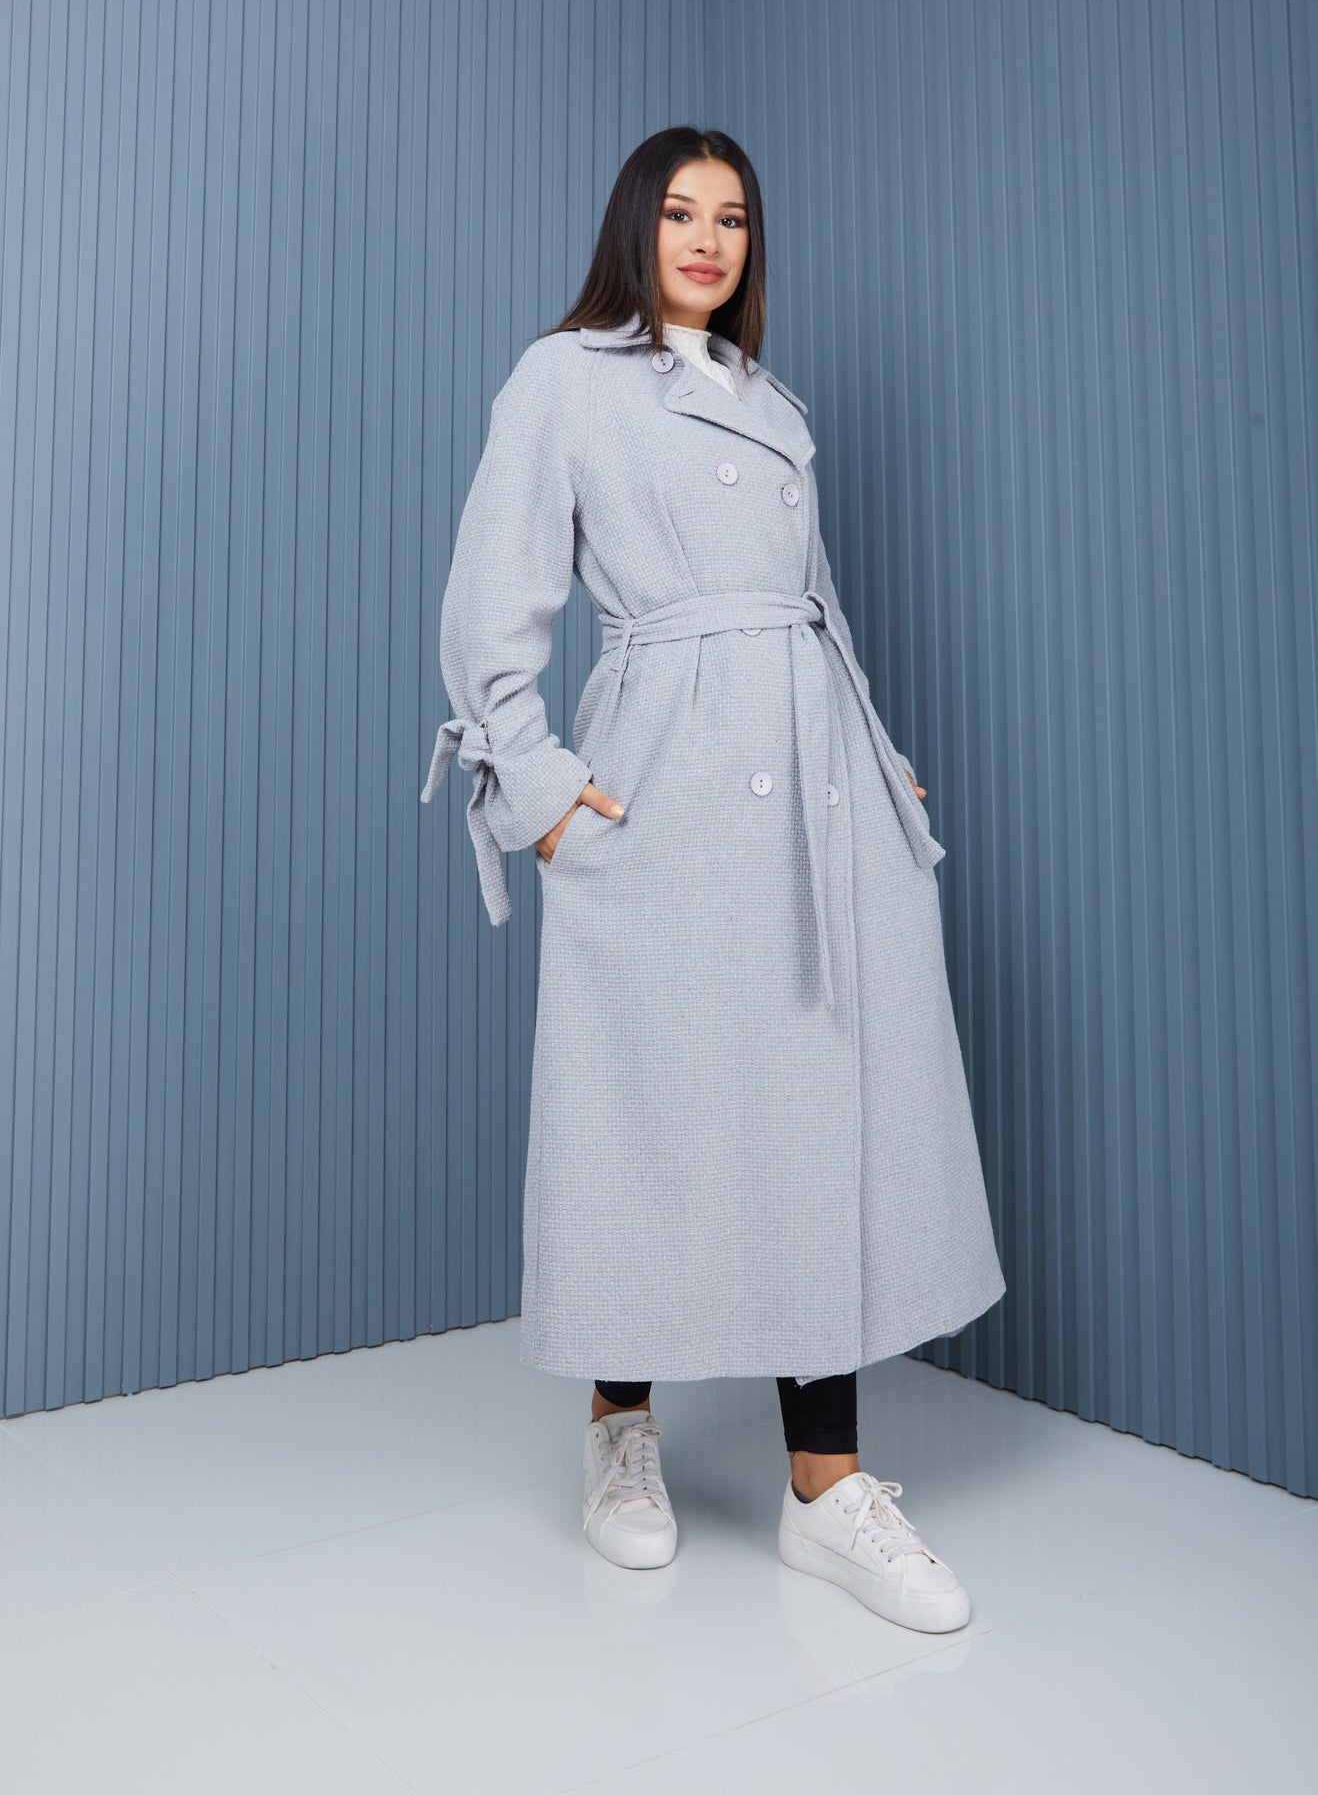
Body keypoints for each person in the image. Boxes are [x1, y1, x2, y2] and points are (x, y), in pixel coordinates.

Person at [421, 127, 1006, 1635]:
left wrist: (878, 758)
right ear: (635, 227)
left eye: (731, 217)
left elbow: (814, 608)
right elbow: (490, 600)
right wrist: (542, 795)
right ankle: (621, 1429)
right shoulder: (564, 380)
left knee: (817, 1121)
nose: (705, 238)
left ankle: (827, 1489)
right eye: (678, 212)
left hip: (817, 794)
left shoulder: (770, 400)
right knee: (649, 1107)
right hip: (664, 780)